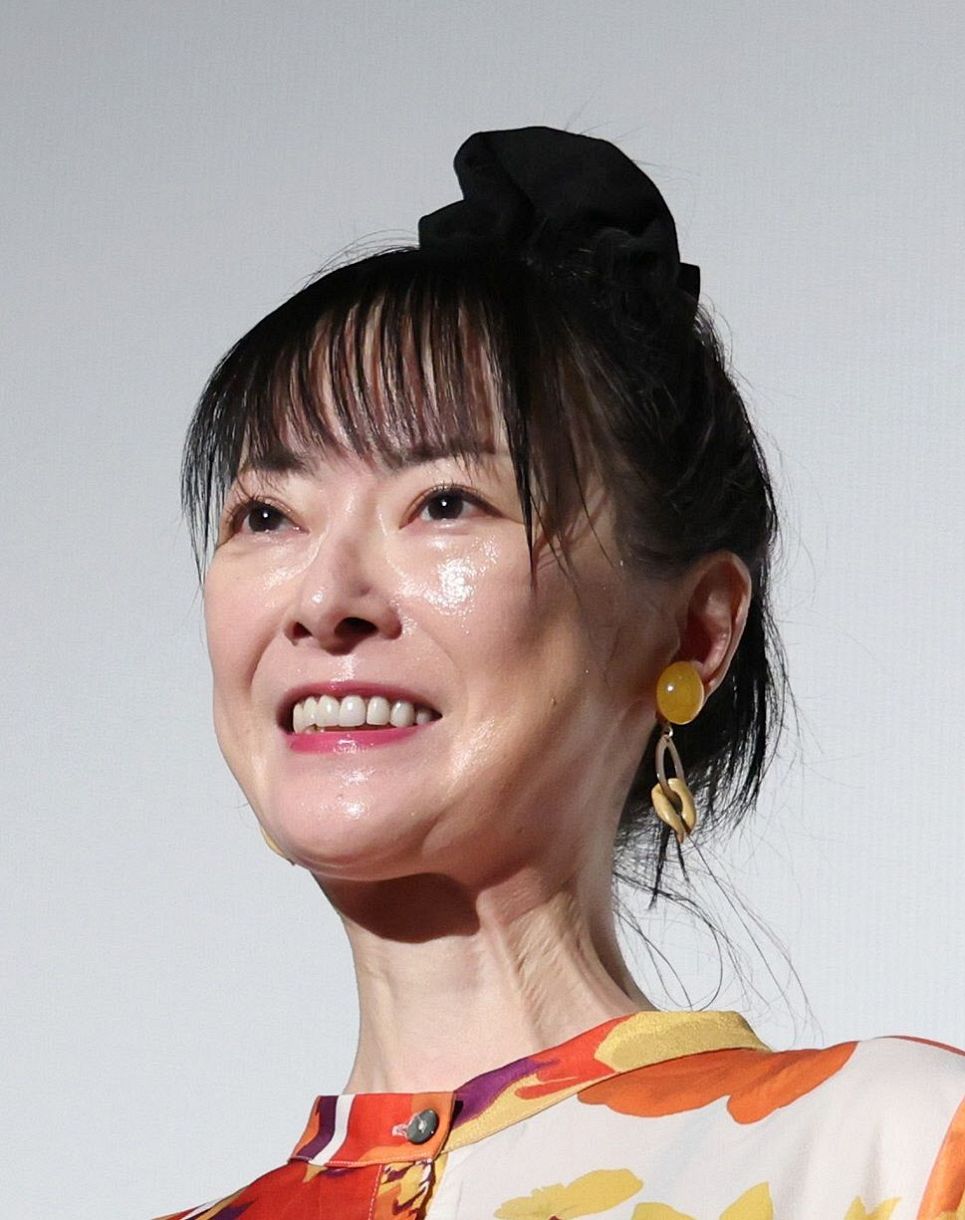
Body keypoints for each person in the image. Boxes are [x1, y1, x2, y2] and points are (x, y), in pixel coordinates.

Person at [155, 127, 964, 1220]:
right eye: (266, 515)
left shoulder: (890, 1155)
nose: (321, 596)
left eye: (445, 502)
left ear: (692, 633)